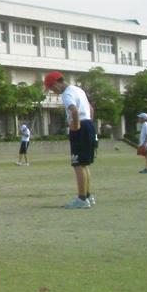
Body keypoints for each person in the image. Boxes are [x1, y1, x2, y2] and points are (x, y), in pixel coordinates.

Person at [44, 71, 96, 208]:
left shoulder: (67, 94)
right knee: (84, 164)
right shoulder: (78, 90)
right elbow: (91, 108)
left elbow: (73, 111)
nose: (53, 91)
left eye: (51, 88)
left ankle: (82, 199)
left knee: (77, 164)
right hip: (88, 125)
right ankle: (88, 196)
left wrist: (76, 126)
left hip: (80, 127)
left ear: (56, 83)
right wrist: (89, 122)